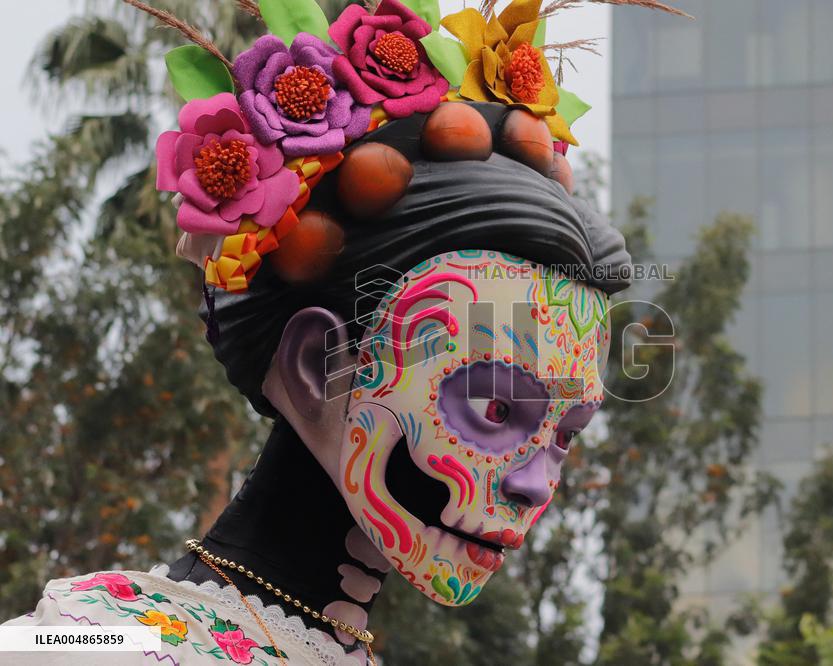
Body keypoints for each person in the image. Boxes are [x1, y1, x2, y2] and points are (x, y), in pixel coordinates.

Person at [1, 0, 684, 662]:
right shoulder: (91, 640)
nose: (535, 483)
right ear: (316, 365)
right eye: (496, 409)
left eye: (565, 435)